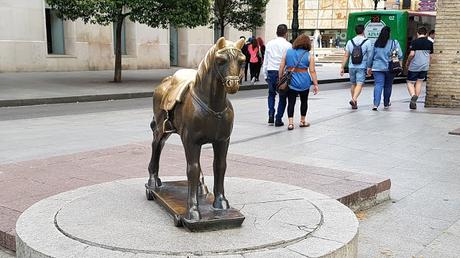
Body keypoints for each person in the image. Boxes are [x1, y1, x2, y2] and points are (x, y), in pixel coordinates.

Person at [279, 34, 319, 130]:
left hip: (291, 80)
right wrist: (315, 84)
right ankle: (302, 121)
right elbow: (312, 71)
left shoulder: (288, 52)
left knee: (291, 102)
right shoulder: (309, 55)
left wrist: (280, 77)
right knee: (304, 101)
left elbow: (281, 66)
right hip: (304, 81)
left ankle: (290, 123)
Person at [367, 26, 403, 111]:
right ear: (389, 34)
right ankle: (386, 103)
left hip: (377, 68)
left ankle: (375, 104)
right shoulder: (394, 43)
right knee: (388, 86)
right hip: (390, 68)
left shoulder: (377, 43)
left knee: (378, 85)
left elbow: (370, 56)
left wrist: (369, 66)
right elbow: (400, 54)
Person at [263, 24, 292, 127]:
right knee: (283, 96)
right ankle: (278, 118)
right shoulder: (288, 45)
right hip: (282, 73)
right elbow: (289, 61)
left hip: (271, 70)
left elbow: (265, 59)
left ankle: (271, 113)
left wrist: (265, 74)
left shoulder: (270, 44)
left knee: (271, 94)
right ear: (286, 33)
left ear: (276, 32)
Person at [340, 24, 373, 109]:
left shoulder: (350, 42)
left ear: (356, 31)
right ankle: (354, 99)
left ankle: (354, 102)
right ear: (363, 31)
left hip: (351, 66)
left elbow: (346, 55)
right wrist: (369, 67)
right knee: (359, 84)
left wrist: (342, 67)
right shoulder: (367, 42)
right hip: (362, 66)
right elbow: (370, 56)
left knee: (353, 84)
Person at [406, 27, 433, 109]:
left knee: (410, 82)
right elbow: (431, 56)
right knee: (419, 82)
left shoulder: (414, 42)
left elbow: (412, 54)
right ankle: (414, 101)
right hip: (425, 66)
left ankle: (413, 95)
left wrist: (407, 62)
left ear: (417, 33)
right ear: (426, 34)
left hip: (415, 65)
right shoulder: (430, 43)